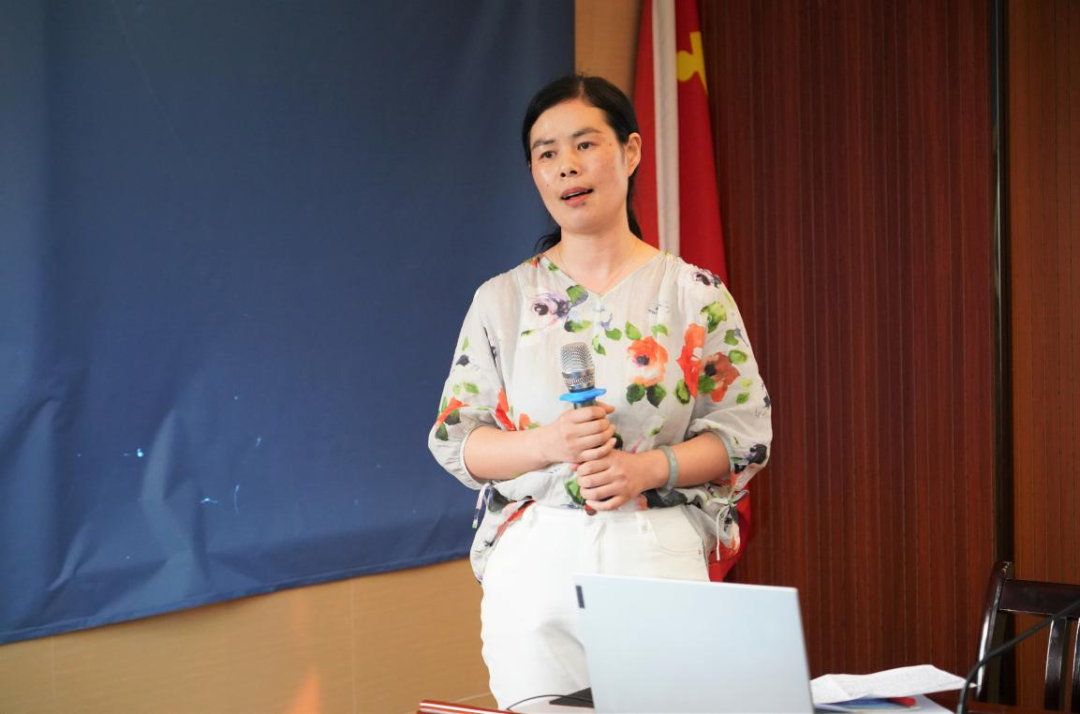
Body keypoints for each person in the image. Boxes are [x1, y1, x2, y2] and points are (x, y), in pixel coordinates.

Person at [427, 74, 772, 708]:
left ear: (630, 152)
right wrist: (548, 444)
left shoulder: (694, 293)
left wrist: (647, 469)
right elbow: (458, 442)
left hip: (657, 548)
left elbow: (745, 436)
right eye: (547, 153)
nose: (567, 166)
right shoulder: (501, 300)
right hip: (536, 560)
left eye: (585, 144)